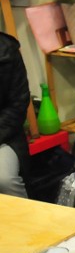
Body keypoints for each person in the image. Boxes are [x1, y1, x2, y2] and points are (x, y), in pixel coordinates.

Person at [0, 32, 31, 199]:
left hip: (4, 136)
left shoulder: (7, 51)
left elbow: (17, 107)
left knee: (4, 180)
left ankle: (30, 224)